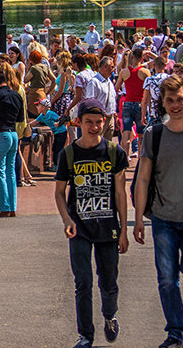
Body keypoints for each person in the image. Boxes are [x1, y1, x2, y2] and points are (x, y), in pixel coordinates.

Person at [55, 102, 129, 347]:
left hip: (108, 227)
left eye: (99, 122)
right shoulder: (68, 154)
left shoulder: (114, 152)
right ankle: (85, 335)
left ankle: (109, 315)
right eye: (89, 122)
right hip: (80, 228)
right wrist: (67, 219)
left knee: (108, 280)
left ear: (105, 122)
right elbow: (59, 192)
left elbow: (120, 193)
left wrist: (124, 231)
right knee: (83, 282)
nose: (95, 127)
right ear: (79, 122)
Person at [133, 73, 183, 348]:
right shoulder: (155, 134)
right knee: (167, 280)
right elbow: (143, 177)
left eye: (180, 99)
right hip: (163, 219)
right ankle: (175, 333)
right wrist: (139, 217)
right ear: (162, 103)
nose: (175, 105)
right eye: (170, 100)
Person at [0, 67, 23, 217]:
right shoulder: (16, 95)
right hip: (13, 134)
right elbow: (21, 118)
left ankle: (4, 207)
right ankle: (12, 207)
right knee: (11, 172)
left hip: (0, 134)